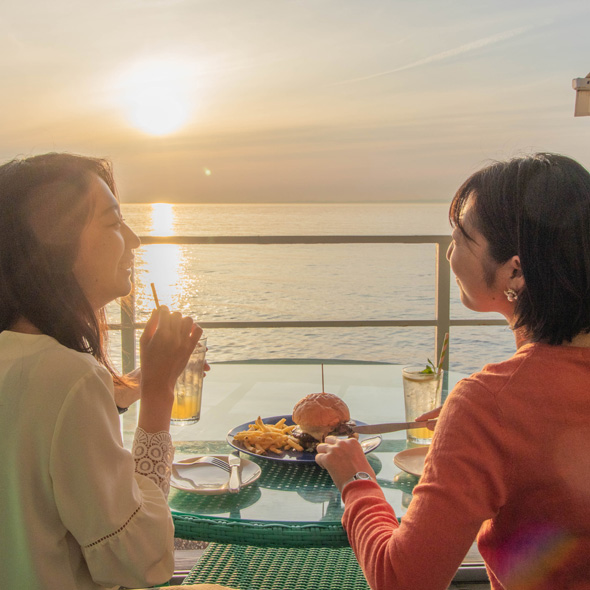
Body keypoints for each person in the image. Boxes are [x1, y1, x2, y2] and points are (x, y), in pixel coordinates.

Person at [315, 153, 590, 590]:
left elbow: (401, 580)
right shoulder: (501, 407)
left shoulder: (489, 403)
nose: (448, 251)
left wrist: (357, 479)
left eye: (461, 237)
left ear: (514, 271)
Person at [0, 153, 203, 589]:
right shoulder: (69, 377)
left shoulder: (30, 362)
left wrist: (128, 387)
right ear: (54, 243)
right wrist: (158, 395)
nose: (133, 240)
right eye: (113, 224)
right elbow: (140, 562)